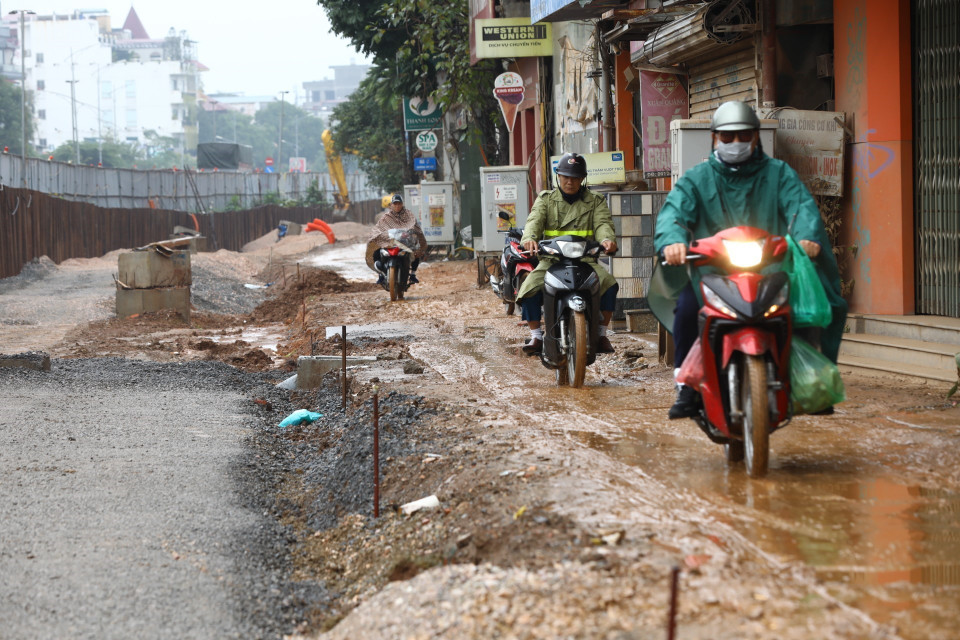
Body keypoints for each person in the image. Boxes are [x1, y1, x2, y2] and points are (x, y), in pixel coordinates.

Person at [653, 100, 848, 419]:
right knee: (688, 308)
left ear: (756, 137)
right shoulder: (697, 177)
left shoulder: (778, 173)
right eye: (727, 137)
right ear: (714, 138)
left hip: (770, 268)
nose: (735, 143)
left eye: (743, 136)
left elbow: (800, 206)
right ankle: (686, 387)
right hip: (711, 271)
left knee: (808, 307)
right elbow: (673, 212)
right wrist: (673, 242)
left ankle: (807, 380)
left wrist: (806, 236)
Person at [516, 152, 620, 355]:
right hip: (551, 261)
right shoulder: (546, 200)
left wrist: (607, 240)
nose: (570, 181)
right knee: (529, 288)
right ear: (558, 176)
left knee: (609, 284)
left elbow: (603, 223)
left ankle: (600, 333)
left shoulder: (596, 201)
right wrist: (529, 239)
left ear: (582, 179)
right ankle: (537, 335)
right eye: (565, 176)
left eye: (575, 177)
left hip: (586, 261)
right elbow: (534, 221)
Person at [368, 194, 427, 286]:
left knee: (415, 252)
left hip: (405, 241)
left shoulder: (408, 214)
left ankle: (412, 274)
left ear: (402, 204)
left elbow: (413, 224)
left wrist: (408, 231)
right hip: (390, 242)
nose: (397, 206)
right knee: (376, 253)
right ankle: (381, 275)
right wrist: (380, 234)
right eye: (395, 204)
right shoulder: (386, 217)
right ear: (391, 205)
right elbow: (378, 227)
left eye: (399, 203)